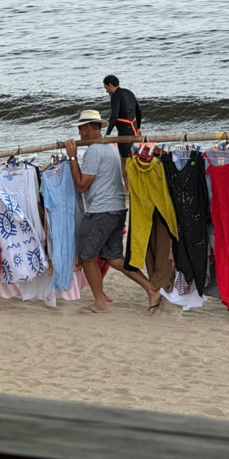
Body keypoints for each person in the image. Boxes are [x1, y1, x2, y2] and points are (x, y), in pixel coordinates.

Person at [65, 109, 163, 315]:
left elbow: (82, 185)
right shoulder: (111, 147)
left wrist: (73, 157)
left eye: (81, 129)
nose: (80, 134)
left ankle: (99, 303)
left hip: (102, 210)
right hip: (117, 208)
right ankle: (151, 289)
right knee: (114, 258)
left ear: (88, 128)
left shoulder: (94, 151)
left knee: (86, 255)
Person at [103, 74, 142, 193]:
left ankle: (127, 190)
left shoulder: (115, 95)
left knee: (124, 161)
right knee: (133, 159)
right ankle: (135, 186)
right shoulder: (129, 92)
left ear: (110, 85)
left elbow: (114, 117)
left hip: (124, 132)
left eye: (106, 88)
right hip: (133, 129)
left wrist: (107, 134)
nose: (106, 91)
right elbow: (139, 111)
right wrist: (138, 127)